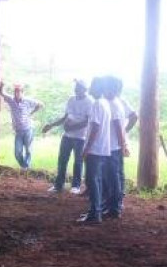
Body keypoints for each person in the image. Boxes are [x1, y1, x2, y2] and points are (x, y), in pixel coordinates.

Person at [43, 79, 93, 194]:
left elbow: (88, 121)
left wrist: (73, 127)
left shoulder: (89, 102)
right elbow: (66, 117)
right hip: (67, 135)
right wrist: (51, 125)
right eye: (76, 87)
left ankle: (76, 186)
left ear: (85, 89)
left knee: (78, 161)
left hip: (80, 137)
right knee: (62, 160)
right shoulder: (71, 99)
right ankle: (58, 185)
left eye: (79, 87)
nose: (76, 89)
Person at [77, 77, 111, 224]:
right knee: (96, 180)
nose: (90, 89)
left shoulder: (97, 104)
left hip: (95, 149)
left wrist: (87, 148)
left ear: (98, 88)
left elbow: (95, 127)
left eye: (92, 86)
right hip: (102, 148)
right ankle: (95, 212)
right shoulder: (105, 103)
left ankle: (94, 214)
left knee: (92, 181)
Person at [0, 81, 43, 171]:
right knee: (17, 152)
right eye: (15, 91)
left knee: (28, 150)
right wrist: (2, 85)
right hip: (18, 131)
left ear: (22, 92)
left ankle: (26, 167)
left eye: (18, 92)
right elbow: (1, 93)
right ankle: (24, 166)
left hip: (28, 129)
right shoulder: (11, 100)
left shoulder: (28, 100)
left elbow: (41, 104)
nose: (17, 93)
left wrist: (32, 112)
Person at [103, 76, 129, 218]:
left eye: (106, 86)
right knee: (113, 177)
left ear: (112, 88)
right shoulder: (113, 102)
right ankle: (112, 206)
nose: (104, 89)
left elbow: (119, 127)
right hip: (112, 146)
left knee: (113, 178)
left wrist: (122, 144)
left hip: (112, 147)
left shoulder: (113, 104)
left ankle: (115, 208)